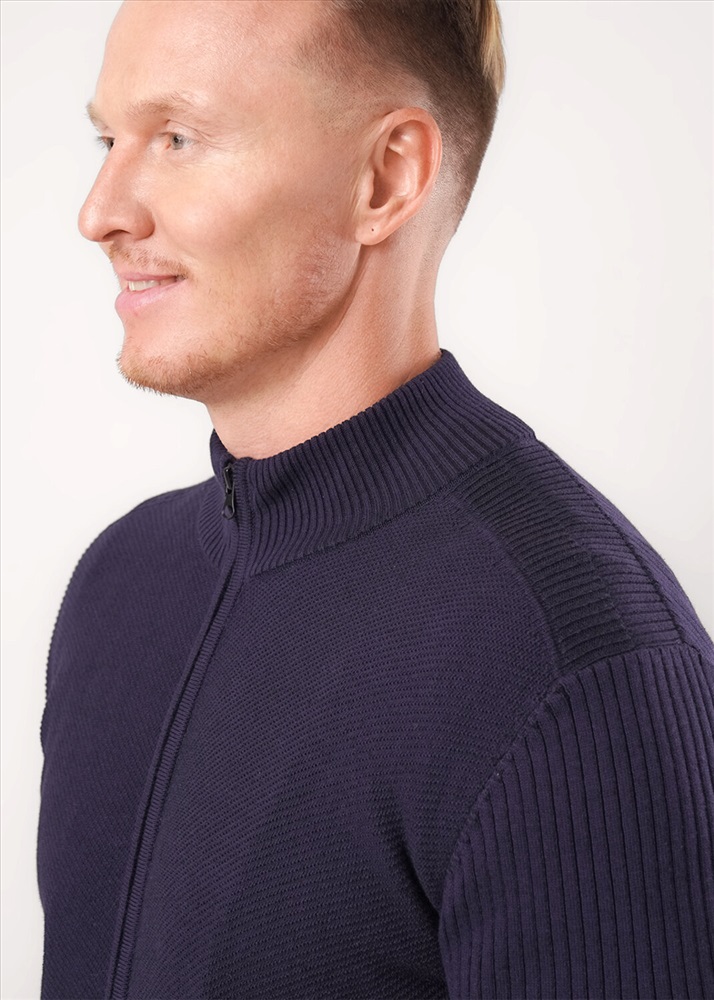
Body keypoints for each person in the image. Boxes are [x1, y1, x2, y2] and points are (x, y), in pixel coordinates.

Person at [37, 1, 713, 997]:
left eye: (178, 138)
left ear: (385, 179)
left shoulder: (576, 666)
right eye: (110, 139)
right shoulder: (120, 583)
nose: (100, 213)